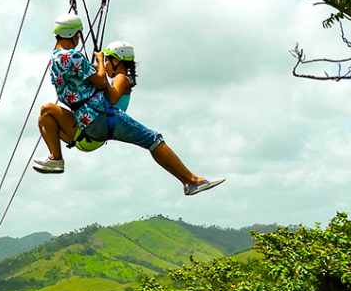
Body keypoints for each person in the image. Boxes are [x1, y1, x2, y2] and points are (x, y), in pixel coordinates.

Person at [33, 13, 224, 197]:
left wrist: (98, 69)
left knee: (46, 111)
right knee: (153, 139)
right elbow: (101, 83)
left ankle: (55, 157)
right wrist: (99, 64)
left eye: (108, 60)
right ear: (75, 34)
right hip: (99, 117)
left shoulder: (55, 60)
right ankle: (191, 181)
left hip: (90, 121)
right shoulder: (74, 56)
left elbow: (105, 88)